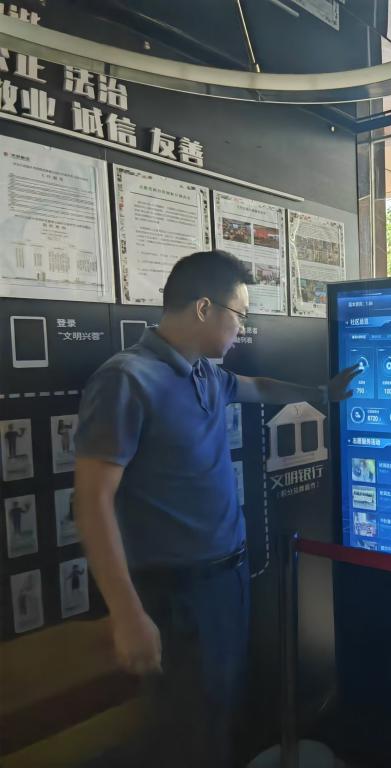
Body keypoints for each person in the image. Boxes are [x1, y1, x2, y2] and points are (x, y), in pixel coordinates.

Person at [73, 249, 361, 768]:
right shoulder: (126, 380)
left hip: (227, 582)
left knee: (219, 717)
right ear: (204, 308)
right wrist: (127, 613)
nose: (241, 328)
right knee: (187, 735)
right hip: (175, 594)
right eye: (239, 315)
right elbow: (92, 501)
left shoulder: (205, 374)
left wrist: (321, 392)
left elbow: (258, 387)